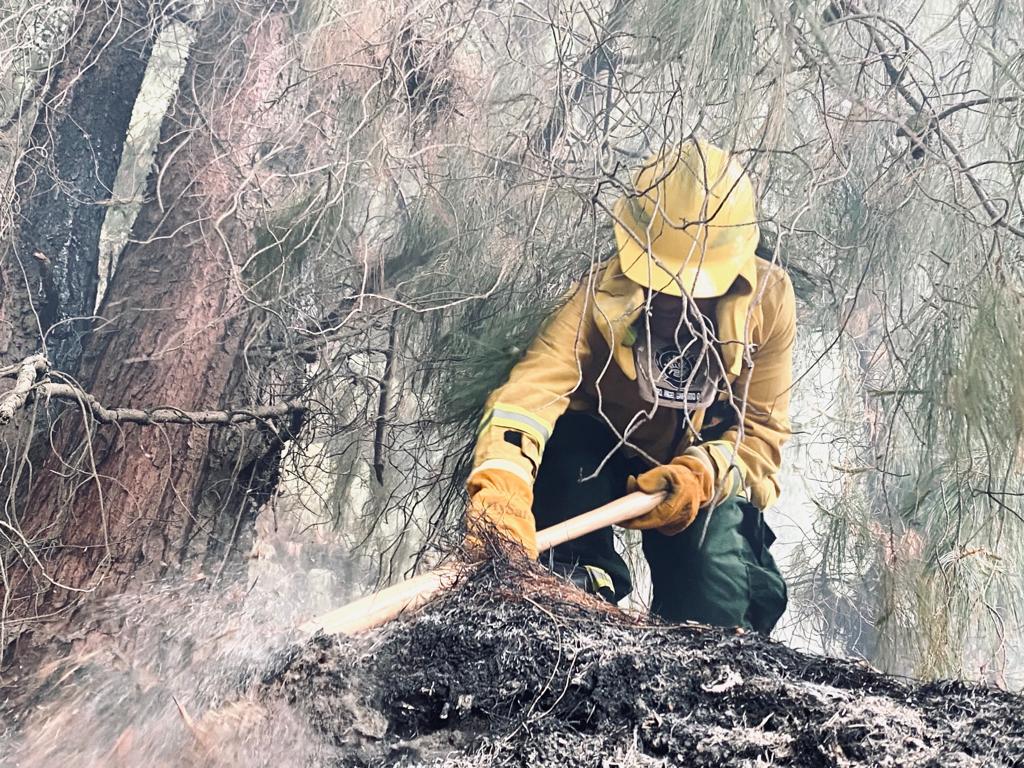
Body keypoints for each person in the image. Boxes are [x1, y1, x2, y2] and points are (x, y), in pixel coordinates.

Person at [465, 138, 795, 633]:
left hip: (697, 475)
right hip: (595, 459)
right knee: (562, 565)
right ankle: (576, 605)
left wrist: (702, 473)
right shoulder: (593, 300)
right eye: (661, 280)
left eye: (695, 287)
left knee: (717, 595)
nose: (676, 300)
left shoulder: (769, 303)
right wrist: (500, 493)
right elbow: (524, 401)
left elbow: (761, 435)